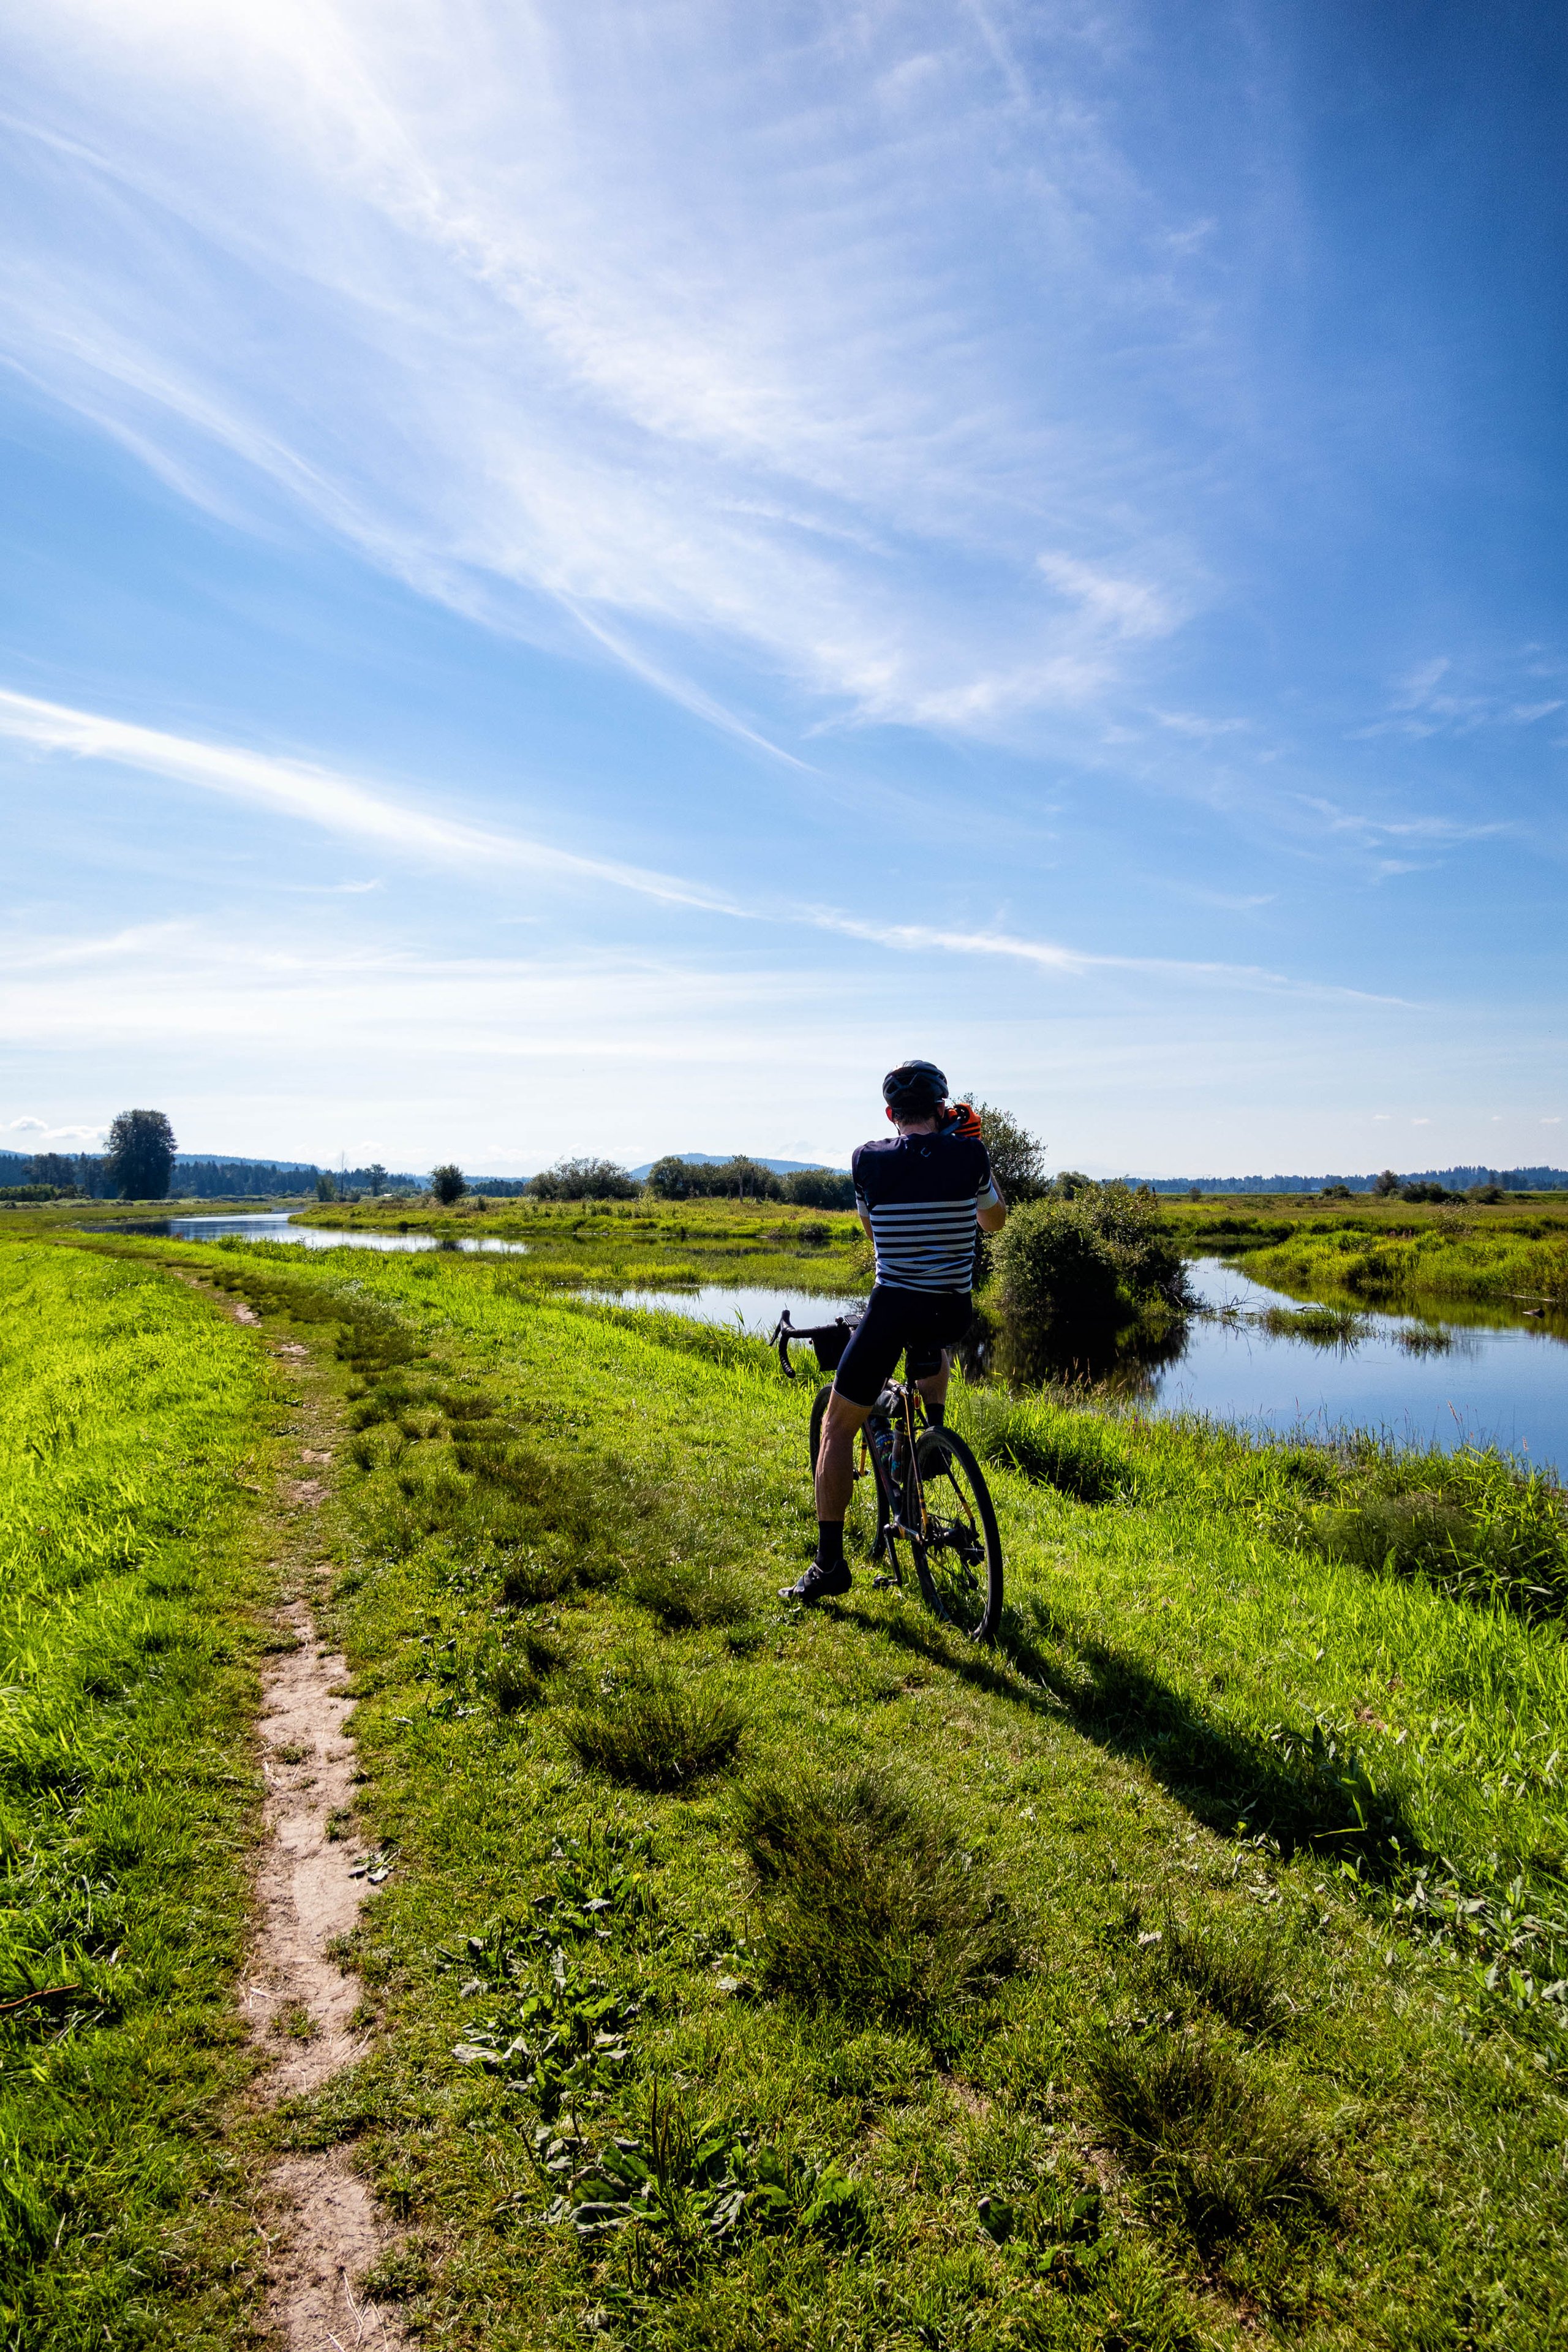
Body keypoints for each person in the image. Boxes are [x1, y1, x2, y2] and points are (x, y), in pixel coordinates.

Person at [781, 1060, 1007, 1604]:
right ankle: (931, 1435)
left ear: (891, 1114)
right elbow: (994, 1222)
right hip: (952, 1309)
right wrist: (964, 1147)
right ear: (944, 1109)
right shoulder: (971, 1154)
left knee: (837, 1426)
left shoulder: (866, 1160)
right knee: (933, 1343)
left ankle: (829, 1566)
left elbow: (871, 1230)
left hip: (892, 1308)